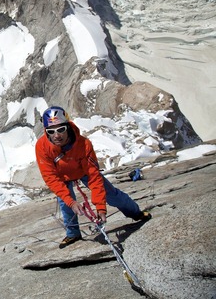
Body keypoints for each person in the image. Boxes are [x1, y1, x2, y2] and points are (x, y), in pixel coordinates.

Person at [35, 106, 151, 249]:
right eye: (51, 131)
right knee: (66, 204)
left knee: (112, 195)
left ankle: (136, 213)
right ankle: (73, 233)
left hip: (82, 172)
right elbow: (50, 177)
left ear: (67, 126)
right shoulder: (42, 147)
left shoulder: (83, 145)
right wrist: (71, 202)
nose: (57, 135)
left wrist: (101, 208)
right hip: (62, 176)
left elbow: (93, 176)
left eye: (61, 129)